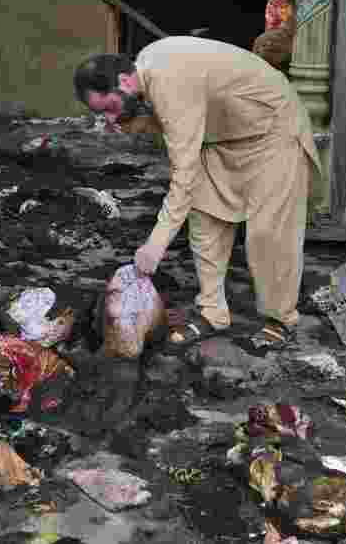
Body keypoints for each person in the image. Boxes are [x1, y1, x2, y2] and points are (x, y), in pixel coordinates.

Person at [72, 36, 322, 348]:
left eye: (109, 107)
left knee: (269, 232)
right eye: (103, 114)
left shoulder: (169, 81)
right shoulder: (145, 71)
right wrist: (135, 121)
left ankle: (279, 319)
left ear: (123, 81)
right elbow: (170, 125)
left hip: (272, 130)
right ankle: (213, 312)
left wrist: (155, 245)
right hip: (221, 138)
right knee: (204, 221)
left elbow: (183, 176)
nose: (109, 118)